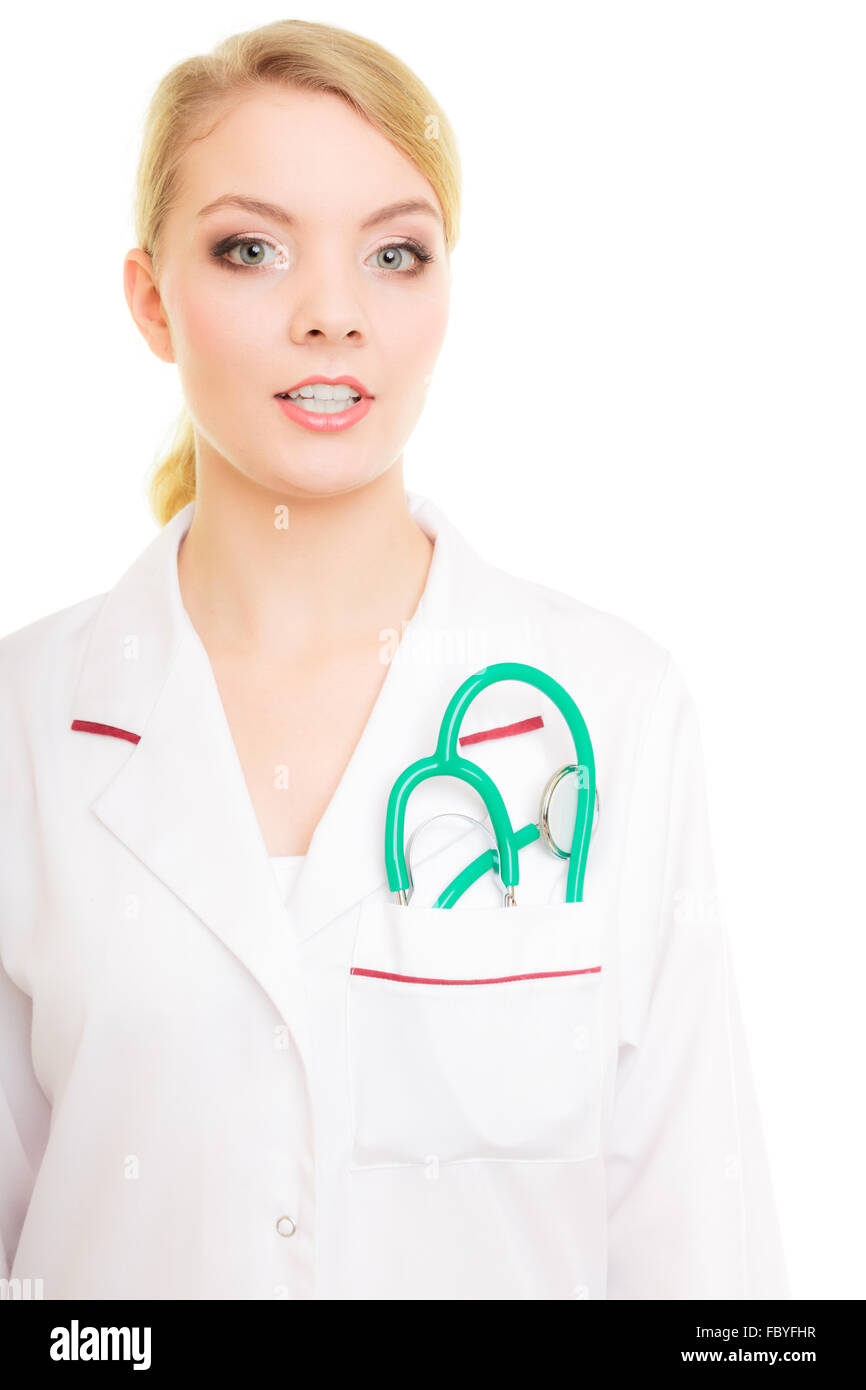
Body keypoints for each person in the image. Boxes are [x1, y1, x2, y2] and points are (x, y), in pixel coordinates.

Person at [0, 18, 789, 1300]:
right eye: (251, 249)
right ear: (151, 298)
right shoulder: (22, 726)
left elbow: (704, 1261)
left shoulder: (614, 710)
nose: (332, 315)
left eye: (394, 254)